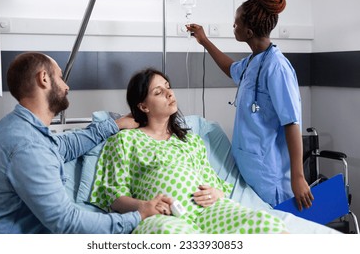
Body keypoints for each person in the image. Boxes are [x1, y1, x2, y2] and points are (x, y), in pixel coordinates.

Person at [0, 52, 169, 234]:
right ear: (44, 79)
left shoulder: (14, 126)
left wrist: (113, 125)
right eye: (60, 77)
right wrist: (138, 215)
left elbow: (64, 146)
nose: (66, 86)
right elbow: (67, 222)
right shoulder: (28, 146)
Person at [90, 68, 288, 234]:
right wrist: (145, 207)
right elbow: (114, 196)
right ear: (143, 106)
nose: (169, 94)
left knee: (265, 223)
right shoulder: (125, 140)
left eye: (168, 87)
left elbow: (212, 182)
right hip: (161, 218)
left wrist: (217, 193)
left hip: (208, 212)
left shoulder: (190, 140)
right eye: (158, 92)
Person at [186, 0, 313, 209]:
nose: (233, 27)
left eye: (236, 24)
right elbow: (231, 68)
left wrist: (298, 176)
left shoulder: (277, 67)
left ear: (249, 31)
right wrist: (204, 41)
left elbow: (291, 123)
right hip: (249, 168)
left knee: (274, 229)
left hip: (269, 174)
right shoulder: (254, 61)